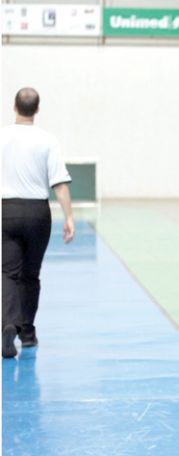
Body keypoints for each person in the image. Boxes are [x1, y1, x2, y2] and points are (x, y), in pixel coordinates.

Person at [2, 88, 76, 358]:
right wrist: (68, 217)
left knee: (8, 273)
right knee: (30, 276)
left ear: (14, 107)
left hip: (6, 210)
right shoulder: (47, 140)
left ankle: (8, 324)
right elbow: (59, 182)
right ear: (38, 109)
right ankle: (28, 332)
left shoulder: (2, 136)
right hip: (37, 212)